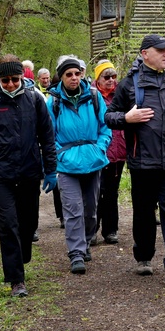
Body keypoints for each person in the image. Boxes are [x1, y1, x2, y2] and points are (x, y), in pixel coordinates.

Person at [105, 34, 165, 286]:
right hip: (142, 161)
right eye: (161, 50)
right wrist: (127, 118)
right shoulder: (129, 84)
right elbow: (109, 116)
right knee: (145, 212)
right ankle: (144, 255)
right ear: (145, 53)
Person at [0, 54, 57, 298]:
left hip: (30, 171)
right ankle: (16, 279)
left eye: (15, 79)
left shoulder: (35, 100)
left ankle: (23, 253)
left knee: (28, 224)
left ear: (22, 78)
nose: (10, 84)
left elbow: (47, 138)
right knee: (8, 225)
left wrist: (51, 169)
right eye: (6, 80)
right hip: (1, 174)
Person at [46, 55, 111, 274]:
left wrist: (101, 147)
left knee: (91, 210)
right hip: (67, 165)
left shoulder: (94, 96)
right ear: (61, 77)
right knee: (73, 209)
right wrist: (59, 154)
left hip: (93, 160)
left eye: (77, 73)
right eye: (68, 74)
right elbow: (47, 134)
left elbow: (105, 125)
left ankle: (86, 239)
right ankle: (76, 253)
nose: (74, 78)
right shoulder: (53, 102)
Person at [93, 60, 125, 245]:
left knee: (112, 192)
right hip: (98, 151)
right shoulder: (92, 97)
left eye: (114, 76)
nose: (111, 80)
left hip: (118, 152)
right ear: (98, 78)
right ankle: (93, 229)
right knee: (97, 191)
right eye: (107, 77)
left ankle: (111, 230)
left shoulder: (120, 95)